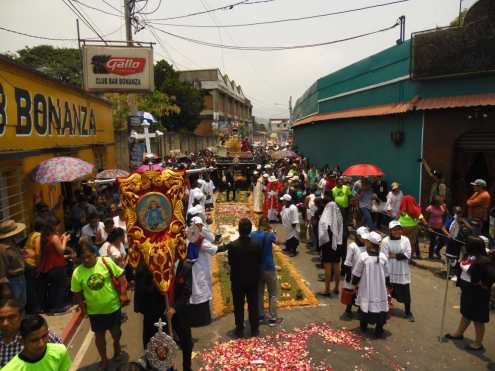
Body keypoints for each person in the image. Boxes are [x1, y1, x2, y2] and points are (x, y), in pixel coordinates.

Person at [71, 243, 128, 370]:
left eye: (89, 256)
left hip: (113, 307)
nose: (86, 260)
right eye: (83, 258)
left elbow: (121, 275)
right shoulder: (77, 273)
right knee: (99, 337)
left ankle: (117, 344)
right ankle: (103, 359)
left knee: (116, 332)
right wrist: (82, 308)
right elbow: (77, 292)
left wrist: (123, 293)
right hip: (95, 312)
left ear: (94, 254)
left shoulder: (105, 262)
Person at [134, 259, 193, 371]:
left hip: (178, 311)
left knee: (187, 343)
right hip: (158, 314)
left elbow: (187, 291)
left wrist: (174, 309)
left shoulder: (186, 267)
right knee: (160, 346)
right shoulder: (152, 266)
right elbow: (142, 289)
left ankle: (187, 367)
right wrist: (155, 286)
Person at [445, 236, 495, 351]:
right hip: (467, 289)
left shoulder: (484, 260)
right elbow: (461, 267)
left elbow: (491, 276)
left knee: (478, 319)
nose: (465, 245)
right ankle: (458, 333)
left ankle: (478, 343)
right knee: (466, 313)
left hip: (478, 293)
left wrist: (483, 283)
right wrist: (454, 264)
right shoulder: (468, 255)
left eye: (467, 244)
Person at [225, 218, 262, 338]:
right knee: (253, 304)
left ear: (239, 230)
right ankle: (255, 329)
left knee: (238, 305)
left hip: (237, 280)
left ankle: (240, 329)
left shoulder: (233, 246)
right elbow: (258, 262)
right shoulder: (256, 245)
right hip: (252, 279)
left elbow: (230, 262)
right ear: (250, 230)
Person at [0, 298, 63, 368]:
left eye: (11, 317)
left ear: (21, 315)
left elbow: (60, 359)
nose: (5, 323)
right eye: (1, 319)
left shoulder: (43, 336)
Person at [352, 231, 390, 338]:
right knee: (380, 307)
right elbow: (387, 275)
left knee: (365, 305)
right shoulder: (383, 257)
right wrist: (388, 286)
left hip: (366, 288)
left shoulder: (363, 256)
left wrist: (354, 285)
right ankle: (379, 329)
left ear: (368, 243)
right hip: (380, 289)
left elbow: (356, 273)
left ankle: (363, 326)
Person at [2, 314, 71, 371]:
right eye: (34, 340)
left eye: (44, 336)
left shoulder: (60, 351)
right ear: (22, 341)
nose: (41, 344)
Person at [250, 217, 283, 326]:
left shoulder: (253, 235)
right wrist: (273, 231)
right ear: (267, 224)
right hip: (269, 267)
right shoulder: (269, 235)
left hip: (257, 267)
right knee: (272, 293)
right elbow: (278, 242)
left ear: (258, 224)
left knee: (259, 292)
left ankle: (260, 316)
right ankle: (273, 318)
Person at [381, 221, 414, 321]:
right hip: (389, 270)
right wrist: (399, 255)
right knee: (386, 291)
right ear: (390, 231)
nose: (397, 231)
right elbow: (384, 256)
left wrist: (394, 255)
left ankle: (408, 312)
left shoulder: (405, 240)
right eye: (394, 229)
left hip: (402, 271)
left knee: (405, 292)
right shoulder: (385, 241)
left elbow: (408, 254)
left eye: (399, 229)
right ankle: (383, 310)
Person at [188, 217, 218, 327]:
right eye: (199, 225)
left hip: (195, 267)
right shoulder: (197, 237)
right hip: (199, 269)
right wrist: (227, 247)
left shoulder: (189, 233)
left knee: (196, 291)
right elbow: (212, 249)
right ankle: (201, 320)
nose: (201, 227)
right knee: (201, 290)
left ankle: (194, 319)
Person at [318, 196, 343, 297]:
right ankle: (336, 287)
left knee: (327, 267)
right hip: (338, 243)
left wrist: (321, 243)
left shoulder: (325, 219)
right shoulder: (339, 217)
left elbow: (322, 232)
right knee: (337, 265)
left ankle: (327, 289)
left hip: (328, 244)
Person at [342, 226, 368, 319]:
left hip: (363, 275)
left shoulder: (366, 247)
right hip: (353, 273)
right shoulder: (352, 246)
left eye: (366, 238)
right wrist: (348, 274)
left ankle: (360, 309)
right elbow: (348, 261)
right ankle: (348, 310)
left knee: (361, 292)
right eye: (362, 237)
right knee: (351, 292)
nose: (364, 239)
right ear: (357, 236)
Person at [0, 220, 27, 308]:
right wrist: (5, 286)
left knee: (23, 301)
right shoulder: (3, 249)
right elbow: (2, 269)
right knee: (16, 303)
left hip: (20, 276)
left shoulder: (13, 243)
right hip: (12, 279)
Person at [23, 219, 43, 314]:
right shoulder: (38, 236)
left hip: (26, 263)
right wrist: (39, 266)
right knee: (34, 288)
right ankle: (35, 309)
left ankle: (32, 308)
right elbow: (38, 253)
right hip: (32, 264)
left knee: (30, 287)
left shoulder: (32, 234)